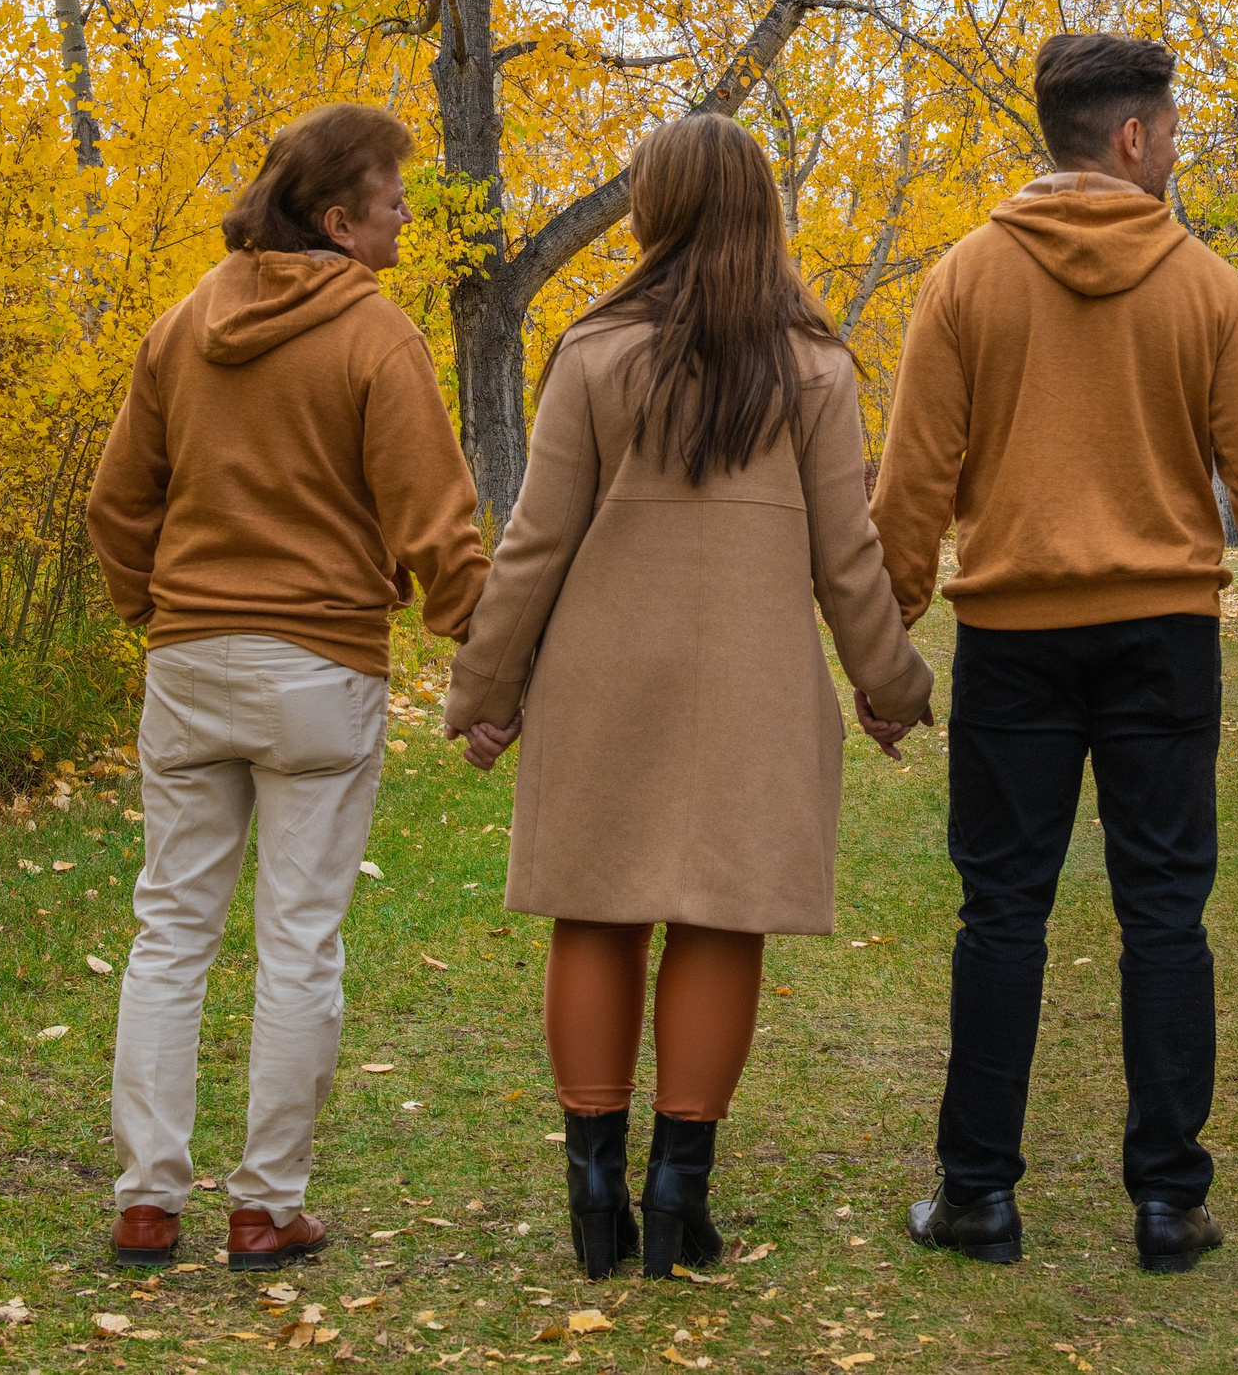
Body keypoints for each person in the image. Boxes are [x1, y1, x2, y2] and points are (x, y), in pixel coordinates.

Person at [868, 32, 1238, 1274]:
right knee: (1165, 914)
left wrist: (885, 641)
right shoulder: (1207, 287)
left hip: (1013, 636)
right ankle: (1169, 1203)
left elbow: (911, 481)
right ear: (1130, 138)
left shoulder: (963, 277)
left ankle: (978, 1195)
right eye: (1170, 131)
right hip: (1161, 636)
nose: (1175, 150)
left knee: (1000, 912)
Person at [445, 113, 933, 1282]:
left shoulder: (592, 353)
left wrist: (487, 687)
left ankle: (593, 1192)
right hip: (754, 688)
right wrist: (891, 683)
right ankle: (677, 1195)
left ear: (651, 211)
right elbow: (846, 558)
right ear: (763, 211)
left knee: (595, 908)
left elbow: (534, 544)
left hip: (603, 676)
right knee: (721, 917)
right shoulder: (814, 367)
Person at [86, 103, 492, 1272]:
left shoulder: (180, 325)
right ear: (338, 222)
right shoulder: (376, 337)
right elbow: (436, 523)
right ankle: (264, 1204)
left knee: (171, 929)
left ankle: (147, 1200)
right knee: (299, 938)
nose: (405, 216)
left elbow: (117, 502)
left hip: (189, 657)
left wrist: (154, 609)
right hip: (317, 663)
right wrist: (484, 650)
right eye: (392, 201)